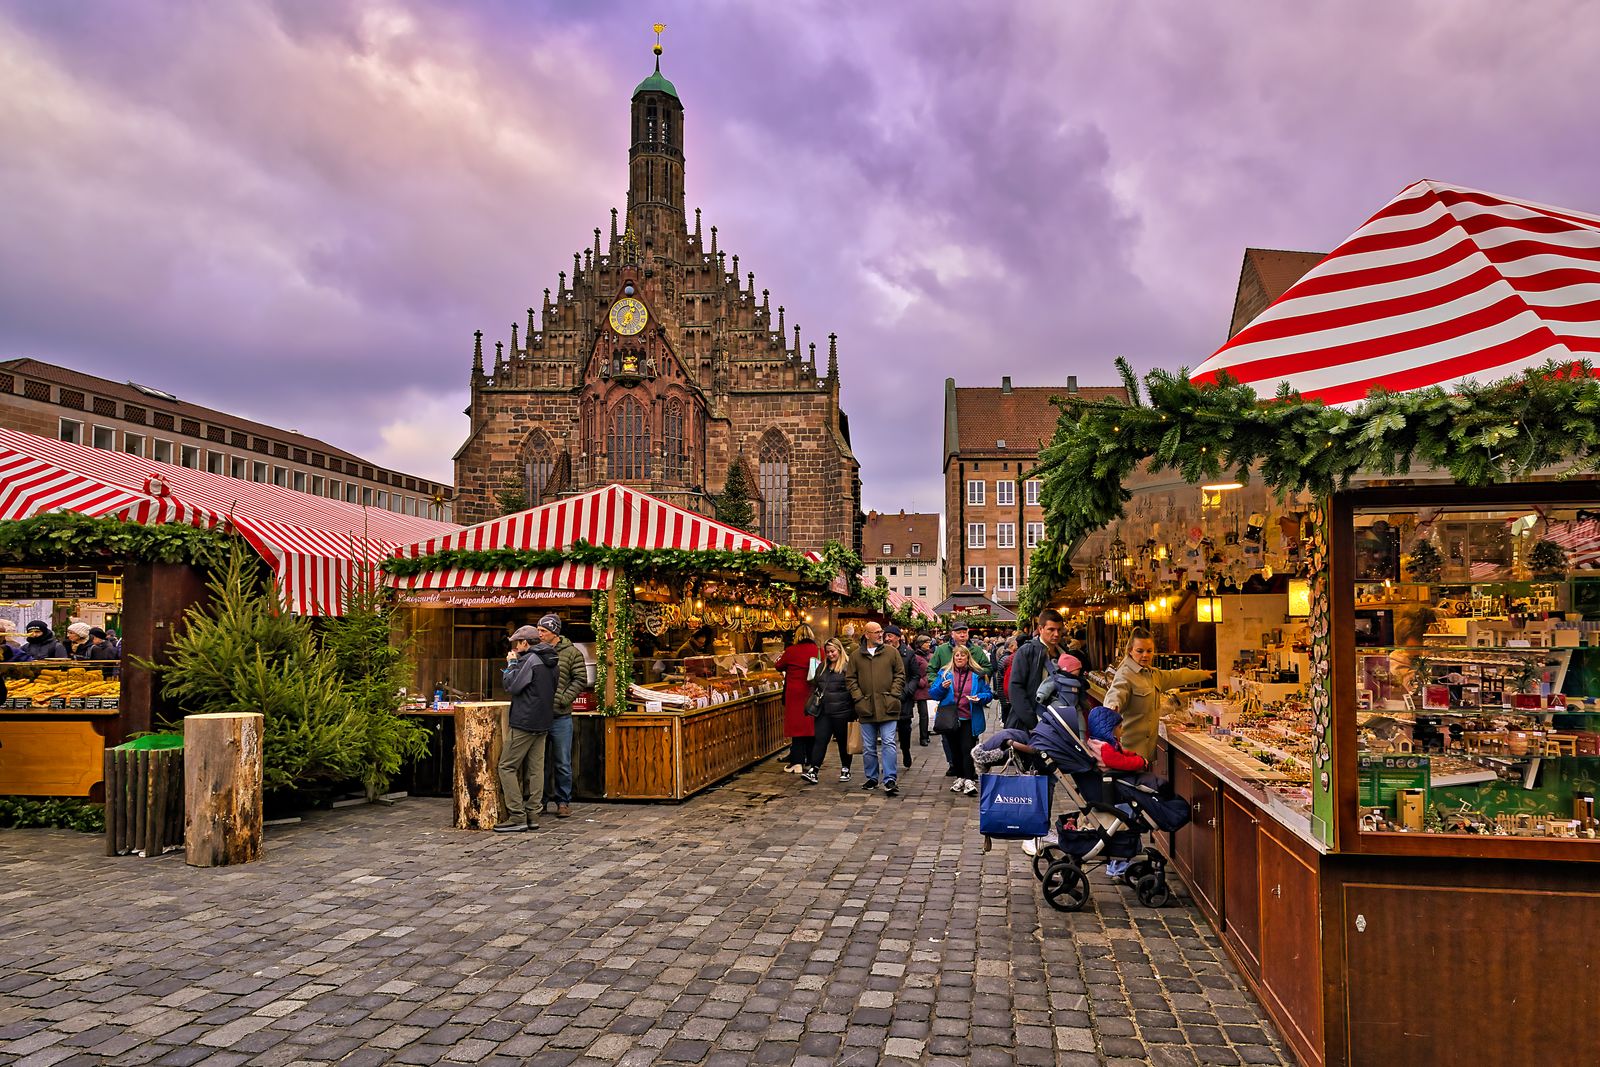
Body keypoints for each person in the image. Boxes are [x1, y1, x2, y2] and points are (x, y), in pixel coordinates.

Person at [1102, 626, 1215, 764]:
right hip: (1129, 752)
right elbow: (1116, 694)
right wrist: (1111, 708)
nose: (1145, 655)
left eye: (1149, 651)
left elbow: (1176, 676)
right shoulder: (1125, 674)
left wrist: (1202, 674)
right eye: (1140, 651)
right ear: (1130, 651)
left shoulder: (1153, 674)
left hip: (1146, 752)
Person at [495, 624, 559, 833]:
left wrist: (512, 664)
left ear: (525, 643)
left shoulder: (529, 660)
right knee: (535, 770)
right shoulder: (552, 659)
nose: (514, 648)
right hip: (543, 720)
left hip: (524, 721)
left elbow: (511, 686)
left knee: (506, 767)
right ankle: (533, 815)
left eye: (516, 643)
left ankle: (517, 816)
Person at [845, 621, 906, 796]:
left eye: (882, 631)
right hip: (866, 706)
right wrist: (858, 698)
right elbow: (850, 679)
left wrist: (893, 694)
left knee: (888, 742)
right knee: (869, 746)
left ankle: (889, 779)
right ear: (867, 634)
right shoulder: (857, 656)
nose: (881, 635)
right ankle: (871, 777)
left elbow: (900, 674)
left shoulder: (891, 652)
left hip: (889, 705)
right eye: (877, 632)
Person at [537, 614, 587, 819]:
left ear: (554, 632)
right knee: (538, 762)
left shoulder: (572, 653)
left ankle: (563, 801)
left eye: (543, 631)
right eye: (538, 630)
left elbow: (580, 679)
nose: (539, 634)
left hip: (561, 716)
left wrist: (564, 699)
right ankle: (539, 801)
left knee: (562, 761)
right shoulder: (535, 651)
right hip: (539, 715)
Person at [929, 644, 991, 796]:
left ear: (968, 657)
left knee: (967, 748)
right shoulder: (945, 673)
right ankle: (960, 777)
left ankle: (969, 779)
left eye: (962, 655)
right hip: (950, 717)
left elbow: (988, 694)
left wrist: (979, 698)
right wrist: (942, 688)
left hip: (969, 717)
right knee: (954, 749)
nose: (959, 658)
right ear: (953, 658)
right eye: (957, 655)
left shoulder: (977, 674)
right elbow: (933, 694)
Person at [802, 638, 855, 785]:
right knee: (820, 740)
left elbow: (853, 689)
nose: (830, 655)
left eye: (833, 651)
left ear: (839, 650)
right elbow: (816, 685)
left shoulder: (847, 667)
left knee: (843, 742)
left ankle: (846, 768)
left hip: (842, 711)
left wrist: (854, 711)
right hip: (824, 711)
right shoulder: (822, 667)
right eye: (828, 652)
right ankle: (814, 769)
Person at [1006, 609, 1065, 730]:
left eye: (1059, 629)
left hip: (1058, 719)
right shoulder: (1026, 651)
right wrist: (1032, 722)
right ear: (1040, 629)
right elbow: (1016, 688)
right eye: (1051, 629)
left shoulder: (1064, 653)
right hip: (1031, 722)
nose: (1056, 634)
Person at [775, 624, 821, 772]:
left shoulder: (791, 651)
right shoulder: (819, 651)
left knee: (797, 728)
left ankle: (797, 762)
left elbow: (778, 666)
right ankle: (811, 760)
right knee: (811, 726)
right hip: (812, 692)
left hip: (795, 693)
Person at [883, 624, 917, 769]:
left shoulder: (908, 654)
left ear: (898, 637)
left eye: (890, 636)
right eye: (886, 636)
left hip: (904, 697)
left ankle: (906, 750)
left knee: (904, 728)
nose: (887, 638)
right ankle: (889, 761)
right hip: (887, 696)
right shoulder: (882, 652)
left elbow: (915, 676)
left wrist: (907, 691)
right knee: (887, 730)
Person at [911, 635, 934, 745]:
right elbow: (912, 672)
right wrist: (922, 681)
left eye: (929, 642)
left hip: (931, 688)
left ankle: (928, 732)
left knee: (931, 713)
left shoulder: (932, 655)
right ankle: (923, 737)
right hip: (921, 690)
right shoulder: (915, 657)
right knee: (923, 714)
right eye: (925, 642)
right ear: (920, 644)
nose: (928, 644)